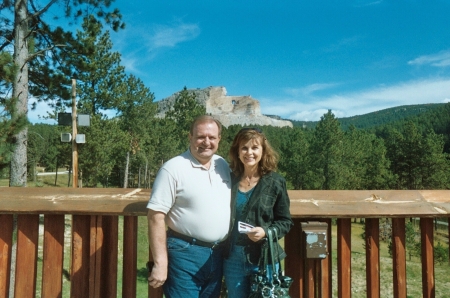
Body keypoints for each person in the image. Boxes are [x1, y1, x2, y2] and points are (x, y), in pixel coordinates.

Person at [146, 115, 231, 298]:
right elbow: (155, 216)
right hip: (184, 254)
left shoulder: (221, 164)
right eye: (200, 137)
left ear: (219, 140)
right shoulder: (173, 168)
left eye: (212, 137)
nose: (206, 142)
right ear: (190, 137)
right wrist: (161, 263)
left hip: (217, 255)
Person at [223, 127, 293, 298]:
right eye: (244, 148)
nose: (249, 153)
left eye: (255, 148)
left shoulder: (275, 182)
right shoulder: (228, 180)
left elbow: (285, 221)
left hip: (264, 257)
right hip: (232, 258)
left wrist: (266, 232)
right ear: (237, 152)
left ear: (263, 150)